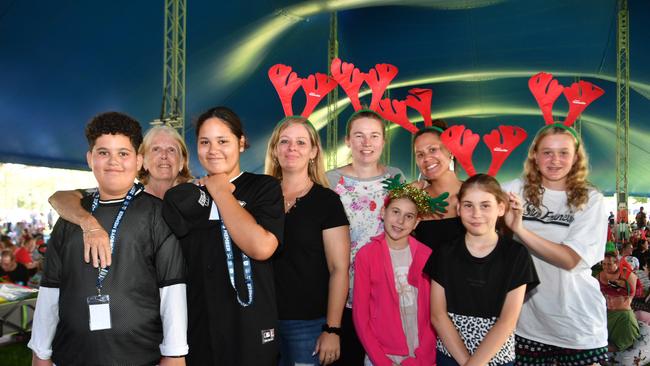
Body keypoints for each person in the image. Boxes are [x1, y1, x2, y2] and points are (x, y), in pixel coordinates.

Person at [28, 111, 188, 366]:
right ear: (90, 158)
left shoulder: (157, 214)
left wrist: (175, 353)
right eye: (103, 153)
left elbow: (172, 290)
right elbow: (50, 290)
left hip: (139, 356)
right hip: (71, 355)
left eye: (123, 154)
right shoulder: (71, 217)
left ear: (138, 161)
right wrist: (40, 352)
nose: (113, 161)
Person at [162, 106, 284, 366]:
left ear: (241, 143)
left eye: (223, 141)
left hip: (251, 325)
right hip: (201, 326)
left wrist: (222, 192)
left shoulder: (264, 188)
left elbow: (262, 247)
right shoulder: (186, 196)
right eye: (205, 142)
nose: (213, 149)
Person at [503, 124, 609, 364]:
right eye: (547, 152)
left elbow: (570, 259)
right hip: (527, 325)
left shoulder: (590, 199)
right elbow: (471, 197)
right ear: (535, 156)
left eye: (563, 153)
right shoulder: (514, 190)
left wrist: (519, 229)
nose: (555, 160)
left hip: (578, 326)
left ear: (576, 158)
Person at [265, 116, 350, 366]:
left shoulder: (327, 202)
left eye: (301, 142)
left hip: (308, 323)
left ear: (313, 151)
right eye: (285, 141)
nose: (292, 148)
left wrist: (332, 330)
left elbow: (339, 269)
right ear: (275, 149)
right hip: (261, 320)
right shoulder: (260, 197)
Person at [428, 174, 538, 366]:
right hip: (450, 356)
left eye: (485, 205)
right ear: (459, 209)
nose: (476, 213)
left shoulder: (516, 256)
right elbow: (438, 315)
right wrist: (466, 362)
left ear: (501, 208)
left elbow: (507, 321)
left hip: (497, 359)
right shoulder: (444, 253)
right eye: (468, 205)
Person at [47, 125, 192, 268]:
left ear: (182, 162)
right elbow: (59, 198)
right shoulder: (123, 195)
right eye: (156, 149)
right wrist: (89, 224)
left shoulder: (196, 199)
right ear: (142, 161)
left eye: (171, 150)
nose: (164, 156)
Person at [327, 110, 404, 365]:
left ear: (383, 140)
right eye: (359, 136)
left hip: (385, 293)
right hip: (342, 291)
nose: (367, 143)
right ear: (348, 140)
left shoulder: (396, 178)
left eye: (374, 136)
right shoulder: (330, 180)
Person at [353, 180, 437, 366]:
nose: (400, 221)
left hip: (422, 356)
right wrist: (381, 361)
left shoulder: (426, 255)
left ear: (416, 223)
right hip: (381, 355)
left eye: (409, 216)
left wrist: (422, 357)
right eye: (395, 212)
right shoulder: (366, 255)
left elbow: (435, 312)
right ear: (383, 212)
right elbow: (360, 316)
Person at [411, 120, 465, 249]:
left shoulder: (474, 194)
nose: (426, 158)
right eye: (420, 154)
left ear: (450, 151)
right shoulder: (415, 199)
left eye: (433, 150)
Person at [599, 252, 640, 351]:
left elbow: (617, 348)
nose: (608, 298)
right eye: (603, 264)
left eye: (613, 296)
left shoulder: (626, 320)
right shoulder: (608, 311)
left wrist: (594, 346)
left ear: (626, 298)